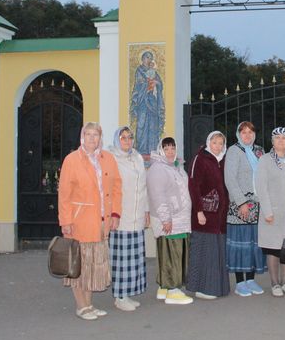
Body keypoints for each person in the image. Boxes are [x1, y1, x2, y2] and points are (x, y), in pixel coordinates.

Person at [58, 122, 123, 321]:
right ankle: (81, 306)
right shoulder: (72, 160)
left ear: (100, 138)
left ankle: (89, 304)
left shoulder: (108, 159)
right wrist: (66, 221)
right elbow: (64, 194)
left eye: (96, 135)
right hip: (79, 222)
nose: (92, 139)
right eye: (88, 134)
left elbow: (117, 187)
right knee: (80, 264)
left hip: (102, 222)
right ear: (82, 137)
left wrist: (115, 214)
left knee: (94, 265)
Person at [146, 136, 193, 305]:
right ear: (161, 150)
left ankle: (164, 288)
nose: (170, 151)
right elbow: (158, 196)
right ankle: (173, 289)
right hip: (170, 219)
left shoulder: (177, 167)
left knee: (168, 253)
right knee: (173, 254)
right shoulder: (158, 169)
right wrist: (166, 218)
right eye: (166, 149)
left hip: (179, 218)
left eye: (173, 148)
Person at [107, 126, 149, 312]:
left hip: (137, 213)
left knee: (134, 257)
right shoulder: (111, 158)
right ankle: (119, 296)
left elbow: (144, 187)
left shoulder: (137, 157)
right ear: (117, 139)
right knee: (121, 258)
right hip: (121, 216)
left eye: (129, 137)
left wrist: (146, 211)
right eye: (123, 137)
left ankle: (128, 292)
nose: (127, 140)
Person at [186, 131, 231, 299]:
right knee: (205, 251)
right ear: (208, 143)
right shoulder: (201, 158)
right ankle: (203, 289)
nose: (218, 146)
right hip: (205, 215)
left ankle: (217, 287)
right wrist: (199, 211)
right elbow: (193, 186)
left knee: (216, 251)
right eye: (215, 143)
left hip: (219, 217)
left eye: (221, 143)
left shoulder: (222, 160)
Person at [224, 121, 267, 297]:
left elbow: (264, 177)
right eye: (244, 132)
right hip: (240, 205)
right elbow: (230, 179)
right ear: (238, 134)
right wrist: (241, 203)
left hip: (257, 205)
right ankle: (240, 282)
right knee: (240, 243)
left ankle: (250, 279)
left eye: (250, 132)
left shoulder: (259, 151)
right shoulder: (234, 151)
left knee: (252, 243)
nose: (247, 136)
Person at [256, 127, 285, 297]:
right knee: (273, 249)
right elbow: (261, 186)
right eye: (277, 138)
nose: (281, 141)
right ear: (272, 141)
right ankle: (274, 284)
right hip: (271, 212)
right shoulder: (265, 160)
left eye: (284, 138)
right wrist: (267, 211)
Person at [130, 50, 165, 155]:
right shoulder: (139, 70)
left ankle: (152, 149)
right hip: (142, 102)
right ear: (142, 59)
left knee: (152, 125)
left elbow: (160, 84)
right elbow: (139, 83)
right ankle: (141, 149)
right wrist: (147, 84)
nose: (149, 59)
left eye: (150, 57)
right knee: (142, 124)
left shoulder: (154, 71)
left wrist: (156, 83)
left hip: (152, 102)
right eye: (147, 57)